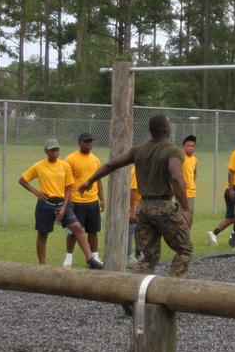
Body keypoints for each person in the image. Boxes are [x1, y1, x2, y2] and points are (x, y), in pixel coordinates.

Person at [78, 114, 193, 278]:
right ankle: (172, 290)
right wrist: (186, 208)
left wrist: (90, 181)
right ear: (167, 130)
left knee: (149, 257)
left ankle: (133, 294)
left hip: (143, 208)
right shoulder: (173, 151)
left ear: (151, 130)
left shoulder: (138, 150)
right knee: (184, 249)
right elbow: (176, 176)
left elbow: (112, 164)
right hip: (164, 207)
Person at [17, 138, 104, 269]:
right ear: (46, 151)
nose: (55, 152)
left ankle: (90, 259)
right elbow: (22, 180)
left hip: (62, 202)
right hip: (45, 203)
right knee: (42, 234)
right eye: (52, 150)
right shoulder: (39, 166)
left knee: (77, 228)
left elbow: (68, 187)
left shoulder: (64, 166)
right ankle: (42, 265)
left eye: (57, 150)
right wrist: (37, 192)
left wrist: (64, 206)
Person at [64, 132, 105, 267]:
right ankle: (69, 257)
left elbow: (98, 181)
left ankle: (95, 257)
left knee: (93, 231)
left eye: (90, 142)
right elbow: (66, 182)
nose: (89, 144)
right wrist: (68, 201)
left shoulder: (95, 159)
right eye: (86, 142)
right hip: (76, 202)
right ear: (79, 143)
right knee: (73, 232)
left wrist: (102, 199)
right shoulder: (70, 159)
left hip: (92, 201)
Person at [182, 135, 198, 232]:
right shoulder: (180, 157)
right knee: (183, 217)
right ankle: (182, 238)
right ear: (183, 146)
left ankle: (186, 236)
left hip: (191, 192)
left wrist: (191, 181)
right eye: (188, 146)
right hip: (182, 192)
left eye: (192, 146)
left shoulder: (194, 159)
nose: (190, 148)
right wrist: (182, 183)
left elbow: (195, 173)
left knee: (190, 217)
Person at [127, 167, 141, 264]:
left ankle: (139, 252)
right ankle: (128, 254)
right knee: (131, 228)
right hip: (134, 205)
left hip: (140, 205)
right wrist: (132, 210)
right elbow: (131, 190)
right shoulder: (136, 171)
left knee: (139, 229)